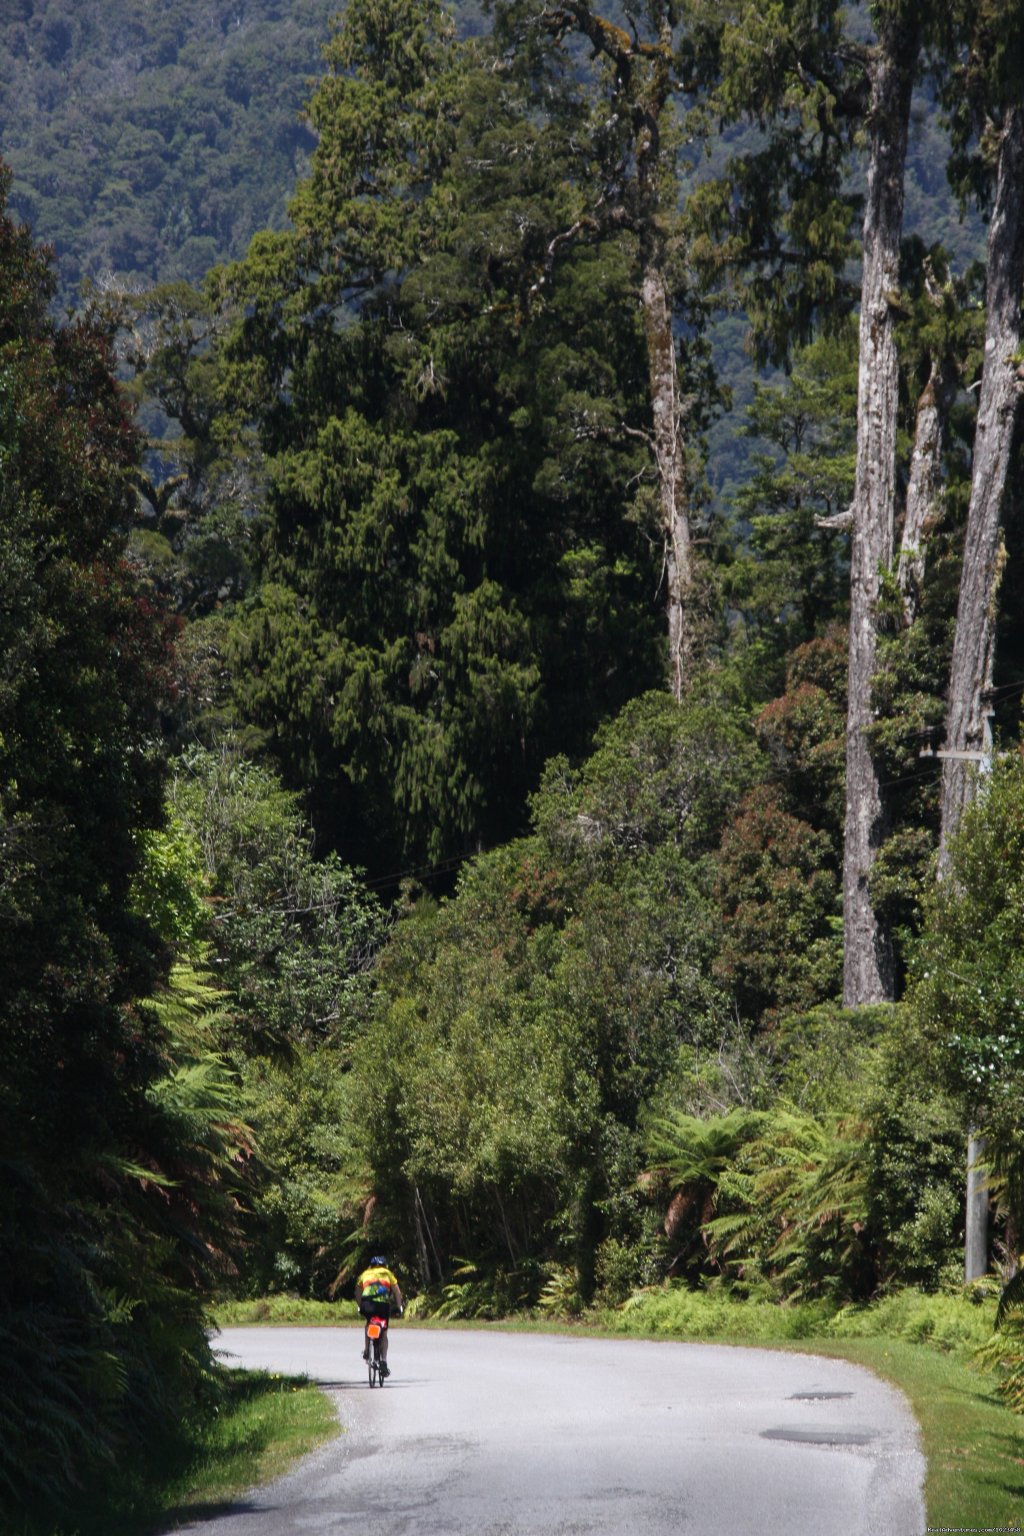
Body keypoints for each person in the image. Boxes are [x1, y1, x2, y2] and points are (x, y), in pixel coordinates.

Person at [355, 1255, 403, 1376]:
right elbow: (397, 1292)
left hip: (367, 1304)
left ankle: (367, 1351)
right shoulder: (387, 1273)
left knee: (369, 1323)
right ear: (384, 1265)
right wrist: (399, 1306)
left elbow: (357, 1292)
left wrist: (360, 1305)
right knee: (384, 1332)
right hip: (382, 1306)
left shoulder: (364, 1274)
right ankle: (384, 1361)